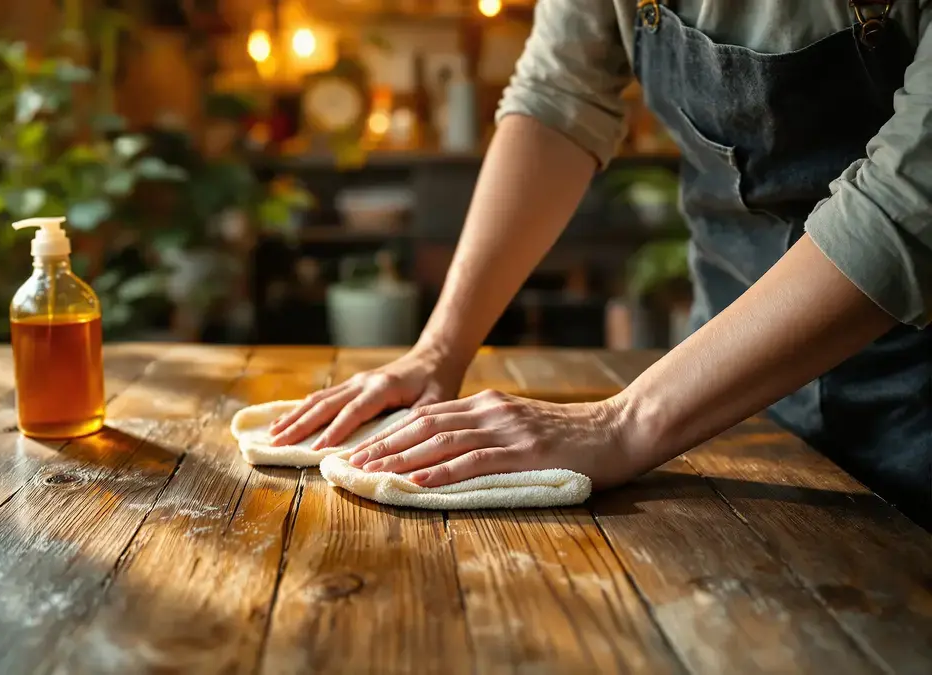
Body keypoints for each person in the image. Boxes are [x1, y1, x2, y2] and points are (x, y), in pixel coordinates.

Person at [268, 0, 932, 528]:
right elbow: (559, 95)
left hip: (914, 398)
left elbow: (909, 203)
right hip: (720, 392)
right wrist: (439, 349)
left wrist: (621, 423)